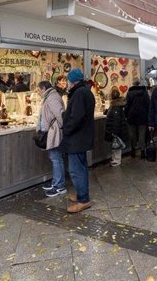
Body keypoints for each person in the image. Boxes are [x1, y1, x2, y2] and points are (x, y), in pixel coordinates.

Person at [61, 68, 95, 213]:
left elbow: (76, 117)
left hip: (77, 138)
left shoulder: (79, 93)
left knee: (76, 170)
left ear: (72, 81)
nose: (66, 83)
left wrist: (66, 129)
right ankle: (82, 194)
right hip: (81, 137)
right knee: (81, 167)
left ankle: (83, 200)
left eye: (67, 80)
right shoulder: (85, 91)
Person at [37, 81, 66, 197]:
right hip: (51, 131)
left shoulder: (52, 97)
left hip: (54, 131)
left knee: (56, 158)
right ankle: (56, 182)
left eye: (38, 90)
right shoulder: (50, 96)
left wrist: (60, 128)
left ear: (43, 88)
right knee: (54, 157)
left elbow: (60, 115)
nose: (38, 92)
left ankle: (60, 186)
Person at [125, 78, 150, 158]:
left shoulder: (129, 93)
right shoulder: (144, 92)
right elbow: (148, 104)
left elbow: (127, 105)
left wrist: (126, 114)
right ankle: (143, 151)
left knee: (133, 135)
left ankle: (133, 150)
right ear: (139, 83)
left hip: (132, 117)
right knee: (142, 134)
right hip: (142, 116)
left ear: (133, 83)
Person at [105, 88, 129, 166]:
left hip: (116, 130)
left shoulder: (115, 107)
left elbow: (116, 121)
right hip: (117, 129)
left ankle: (117, 160)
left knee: (116, 146)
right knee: (115, 145)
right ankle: (115, 159)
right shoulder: (117, 105)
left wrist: (115, 132)